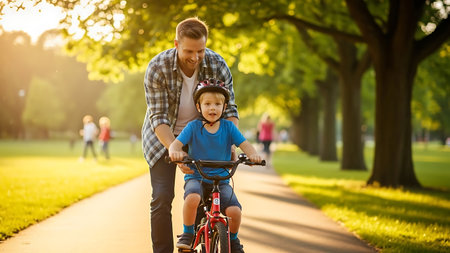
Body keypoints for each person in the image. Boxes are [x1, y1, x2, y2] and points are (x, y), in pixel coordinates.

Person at [141, 17, 239, 253]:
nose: (195, 57)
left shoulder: (217, 64)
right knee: (162, 198)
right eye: (188, 51)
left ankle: (194, 243)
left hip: (202, 137)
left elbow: (231, 109)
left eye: (200, 51)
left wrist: (232, 143)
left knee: (201, 197)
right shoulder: (158, 67)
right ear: (176, 44)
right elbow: (159, 117)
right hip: (163, 138)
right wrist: (174, 148)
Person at [169, 79, 261, 252]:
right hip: (197, 176)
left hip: (221, 179)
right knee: (192, 198)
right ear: (199, 107)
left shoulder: (228, 127)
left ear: (224, 107)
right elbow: (175, 145)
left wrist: (253, 155)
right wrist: (175, 152)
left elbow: (245, 144)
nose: (213, 108)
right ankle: (188, 233)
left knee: (235, 212)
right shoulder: (193, 127)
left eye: (217, 104)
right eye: (208, 104)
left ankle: (233, 241)